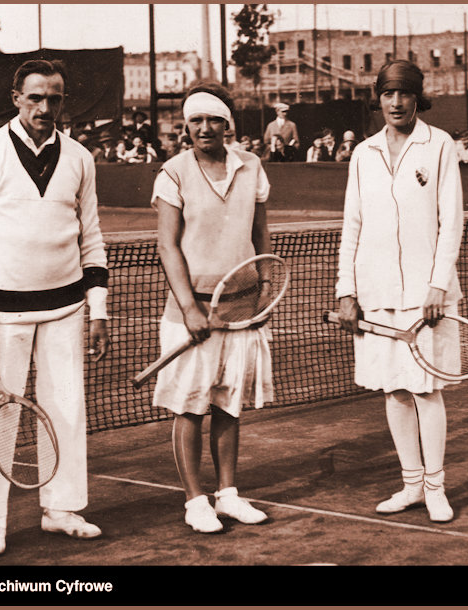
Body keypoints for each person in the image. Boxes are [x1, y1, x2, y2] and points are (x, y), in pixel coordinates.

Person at [0, 59, 110, 555]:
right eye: (36, 97)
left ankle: (61, 510)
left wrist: (98, 309)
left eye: (55, 98)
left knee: (66, 406)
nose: (46, 107)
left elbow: (92, 237)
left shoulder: (80, 157)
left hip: (66, 308)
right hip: (2, 314)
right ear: (16, 98)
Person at [336, 60, 464, 523]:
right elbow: (352, 225)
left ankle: (435, 487)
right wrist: (346, 291)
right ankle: (411, 483)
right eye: (387, 93)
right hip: (376, 292)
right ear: (379, 98)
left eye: (404, 93)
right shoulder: (364, 153)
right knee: (394, 389)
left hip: (426, 294)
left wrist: (437, 284)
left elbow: (452, 221)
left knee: (426, 390)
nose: (395, 102)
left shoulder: (440, 145)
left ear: (417, 98)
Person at [150, 81, 273, 534]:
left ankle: (228, 494)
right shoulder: (173, 172)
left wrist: (264, 288)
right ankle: (195, 500)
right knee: (190, 408)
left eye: (212, 119)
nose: (204, 128)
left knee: (229, 404)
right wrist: (189, 309)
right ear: (186, 126)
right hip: (192, 313)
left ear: (227, 123)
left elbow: (261, 235)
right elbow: (167, 246)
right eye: (195, 120)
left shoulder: (253, 167)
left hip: (242, 309)